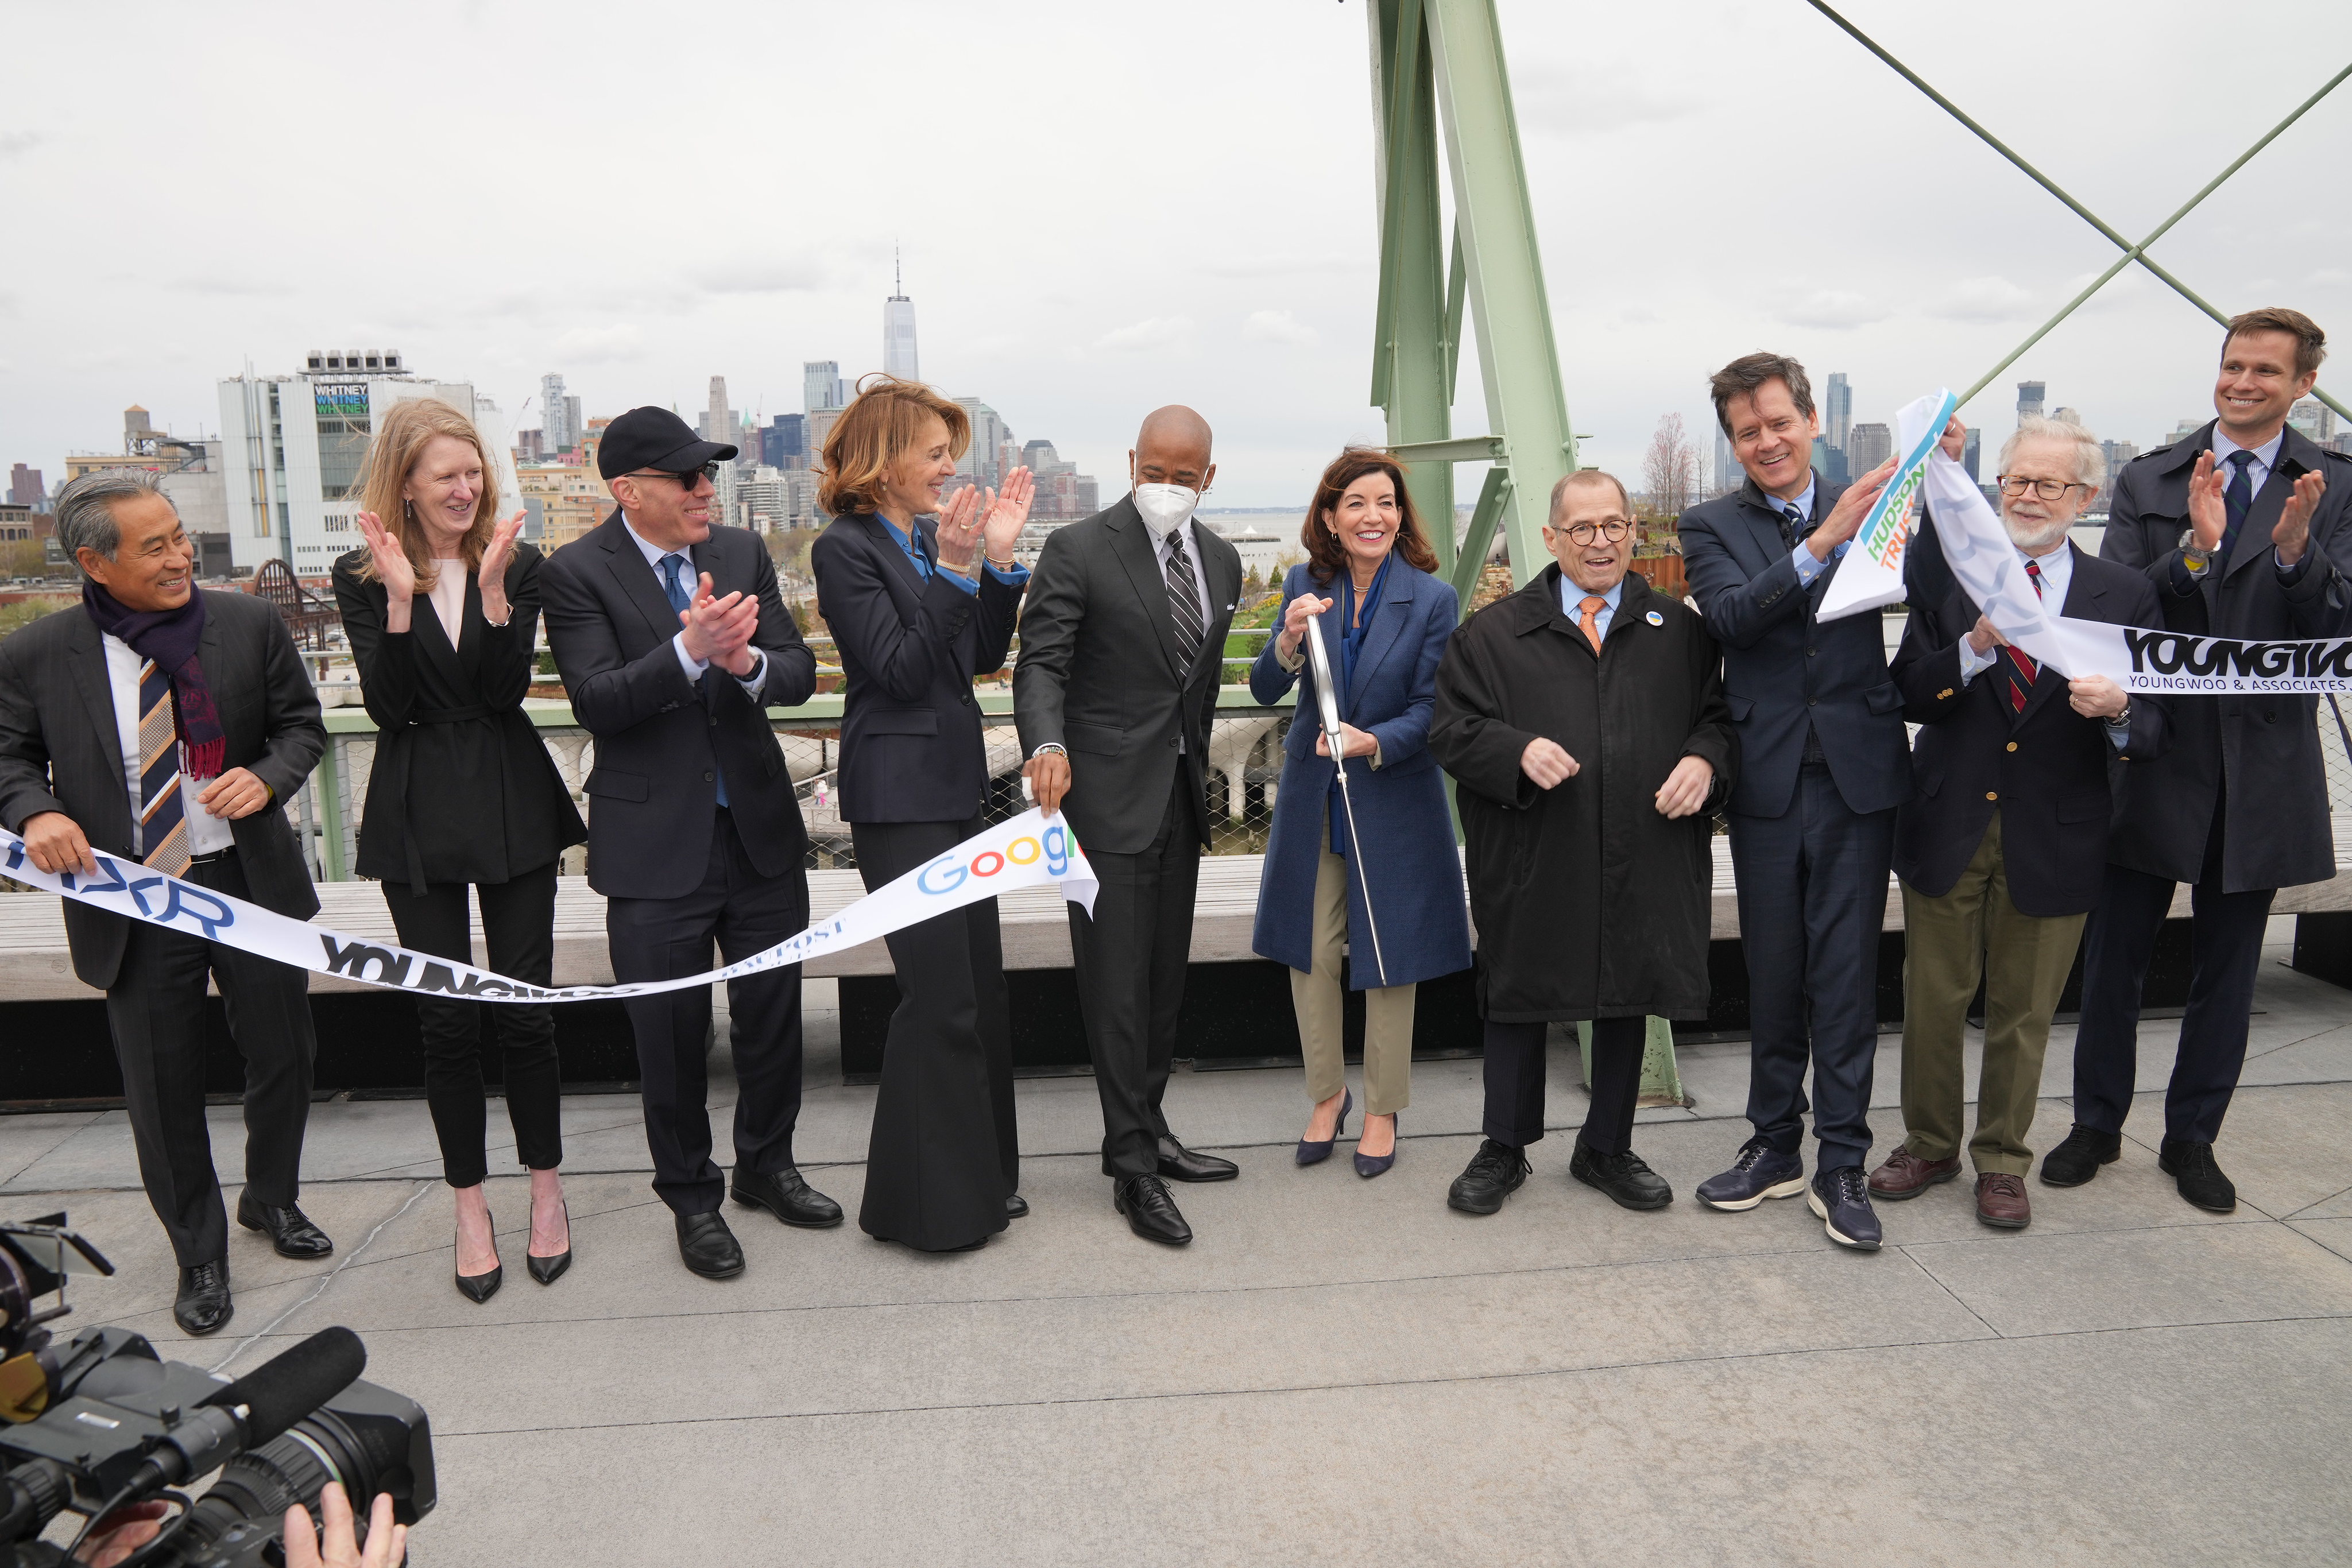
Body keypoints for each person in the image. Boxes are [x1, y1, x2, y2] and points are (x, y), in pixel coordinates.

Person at [0, 469, 328, 1335]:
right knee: (161, 1083)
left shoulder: (248, 624)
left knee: (285, 1053)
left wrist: (266, 777)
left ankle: (271, 1197)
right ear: (94, 563)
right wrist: (35, 810)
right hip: (132, 898)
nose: (181, 556)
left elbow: (302, 727)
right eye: (156, 547)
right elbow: (8, 757)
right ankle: (199, 1251)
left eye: (180, 536)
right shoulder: (38, 653)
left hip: (247, 883)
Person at [2064, 307, 2352, 1211]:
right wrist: (2195, 550)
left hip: (2262, 762)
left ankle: (2193, 1137)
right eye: (2233, 365)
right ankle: (2095, 1122)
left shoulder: (2337, 486)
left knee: (2230, 968)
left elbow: (2340, 625)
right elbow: (2116, 607)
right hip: (2153, 752)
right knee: (2112, 957)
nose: (2243, 382)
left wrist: (2298, 556)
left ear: (2303, 384)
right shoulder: (2151, 476)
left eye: (2266, 370)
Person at [539, 405, 829, 1280]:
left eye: (710, 474)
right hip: (653, 846)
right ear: (629, 490)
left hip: (760, 831)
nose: (707, 489)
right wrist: (691, 649)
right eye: (688, 477)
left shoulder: (740, 552)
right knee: (668, 1034)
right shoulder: (575, 571)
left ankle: (767, 1166)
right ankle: (693, 1199)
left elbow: (798, 671)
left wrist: (745, 663)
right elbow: (597, 699)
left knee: (773, 1017)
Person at [1872, 416, 2169, 1230]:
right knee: (1932, 1000)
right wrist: (1971, 648)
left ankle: (2002, 1161)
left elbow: (2155, 730)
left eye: (2047, 483)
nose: (2028, 497)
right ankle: (1929, 1143)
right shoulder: (1953, 574)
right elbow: (1905, 691)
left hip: (2059, 831)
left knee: (2025, 1010)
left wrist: (2120, 710)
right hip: (1947, 822)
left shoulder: (2125, 594)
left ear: (2086, 496)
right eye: (2015, 480)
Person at [331, 397, 588, 1300]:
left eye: (474, 472)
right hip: (415, 806)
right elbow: (389, 706)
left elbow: (503, 689)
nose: (465, 488)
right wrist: (402, 600)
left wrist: (492, 594)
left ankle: (547, 1192)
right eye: (446, 474)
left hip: (511, 794)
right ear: (405, 483)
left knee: (525, 1009)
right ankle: (470, 1207)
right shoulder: (362, 575)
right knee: (445, 1019)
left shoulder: (518, 562)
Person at [1430, 470, 1734, 1215]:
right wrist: (1515, 750)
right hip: (1535, 851)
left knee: (1630, 988)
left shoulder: (1681, 632)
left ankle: (1606, 1144)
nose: (1601, 542)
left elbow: (1722, 718)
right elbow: (1451, 730)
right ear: (1550, 537)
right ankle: (1504, 1146)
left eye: (1614, 526)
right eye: (1582, 528)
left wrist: (1705, 759)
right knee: (1518, 989)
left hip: (1644, 846)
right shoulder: (1491, 636)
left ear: (1633, 531)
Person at [1677, 351, 1904, 1251]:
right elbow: (1732, 619)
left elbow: (1938, 587)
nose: (1767, 441)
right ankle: (1773, 1142)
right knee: (1773, 972)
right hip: (1767, 777)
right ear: (1734, 443)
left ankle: (1842, 1159)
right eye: (1748, 431)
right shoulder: (1709, 523)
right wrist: (1819, 543)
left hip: (1858, 775)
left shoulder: (1880, 503)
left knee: (1846, 975)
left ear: (1811, 420)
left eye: (1779, 422)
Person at [809, 377, 1034, 1252]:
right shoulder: (844, 549)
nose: (949, 468)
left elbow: (975, 655)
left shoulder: (932, 540)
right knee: (937, 999)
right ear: (885, 460)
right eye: (935, 454)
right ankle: (925, 1209)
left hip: (954, 791)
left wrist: (997, 565)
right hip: (899, 800)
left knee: (978, 991)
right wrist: (954, 570)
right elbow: (900, 671)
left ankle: (985, 1179)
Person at [1015, 406, 1245, 1245]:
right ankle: (1131, 1166)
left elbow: (1199, 686)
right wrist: (1046, 742)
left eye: (1184, 476)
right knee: (1115, 988)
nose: (1167, 486)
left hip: (1181, 799)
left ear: (1208, 478)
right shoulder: (1077, 548)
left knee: (1162, 985)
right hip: (1104, 802)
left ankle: (1149, 1125)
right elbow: (1042, 663)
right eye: (1154, 471)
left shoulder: (1221, 560)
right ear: (1131, 462)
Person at [1249, 448, 1469, 1178]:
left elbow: (1434, 709)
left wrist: (1374, 740)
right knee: (1310, 950)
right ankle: (1327, 1095)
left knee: (1390, 955)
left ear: (1401, 515)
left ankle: (1382, 1108)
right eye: (1356, 503)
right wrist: (1287, 638)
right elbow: (1264, 687)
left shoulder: (1433, 599)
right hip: (1314, 796)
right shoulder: (1303, 585)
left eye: (1386, 502)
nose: (1373, 516)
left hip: (1393, 793)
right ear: (1330, 517)